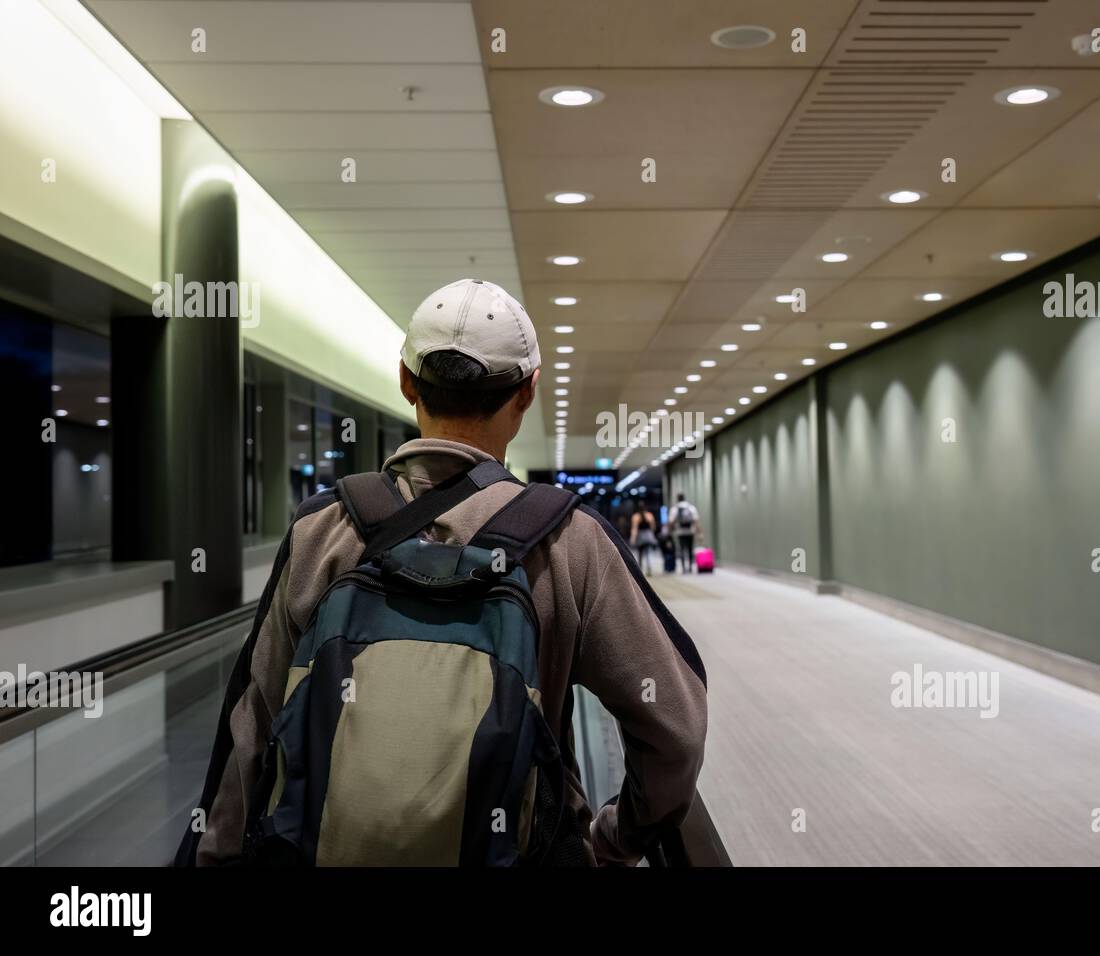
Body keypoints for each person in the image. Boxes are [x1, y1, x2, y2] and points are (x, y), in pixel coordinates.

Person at [177, 278, 707, 867]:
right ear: (528, 393)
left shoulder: (320, 530)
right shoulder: (569, 542)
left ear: (405, 381)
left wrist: (216, 856)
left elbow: (252, 725)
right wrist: (614, 840)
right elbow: (675, 729)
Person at [669, 493, 702, 574]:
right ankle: (690, 567)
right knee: (690, 549)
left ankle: (684, 568)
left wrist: (670, 531)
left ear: (677, 499)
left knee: (682, 549)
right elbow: (696, 521)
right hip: (690, 531)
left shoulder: (675, 509)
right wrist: (699, 532)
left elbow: (671, 522)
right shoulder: (691, 507)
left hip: (680, 532)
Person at [629, 500, 658, 575]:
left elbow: (634, 529)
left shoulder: (635, 517)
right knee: (648, 552)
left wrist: (633, 539)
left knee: (640, 553)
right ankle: (649, 568)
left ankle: (640, 570)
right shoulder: (649, 515)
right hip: (648, 536)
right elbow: (653, 527)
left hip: (640, 536)